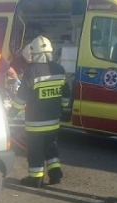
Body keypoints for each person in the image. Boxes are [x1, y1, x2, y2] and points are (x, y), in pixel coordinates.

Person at [8, 36, 69, 188]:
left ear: (34, 53)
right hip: (53, 122)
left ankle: (35, 179)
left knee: (35, 152)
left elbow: (21, 99)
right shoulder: (60, 69)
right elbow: (66, 95)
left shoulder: (31, 71)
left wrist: (11, 114)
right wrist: (62, 109)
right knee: (51, 148)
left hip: (35, 124)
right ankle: (55, 175)